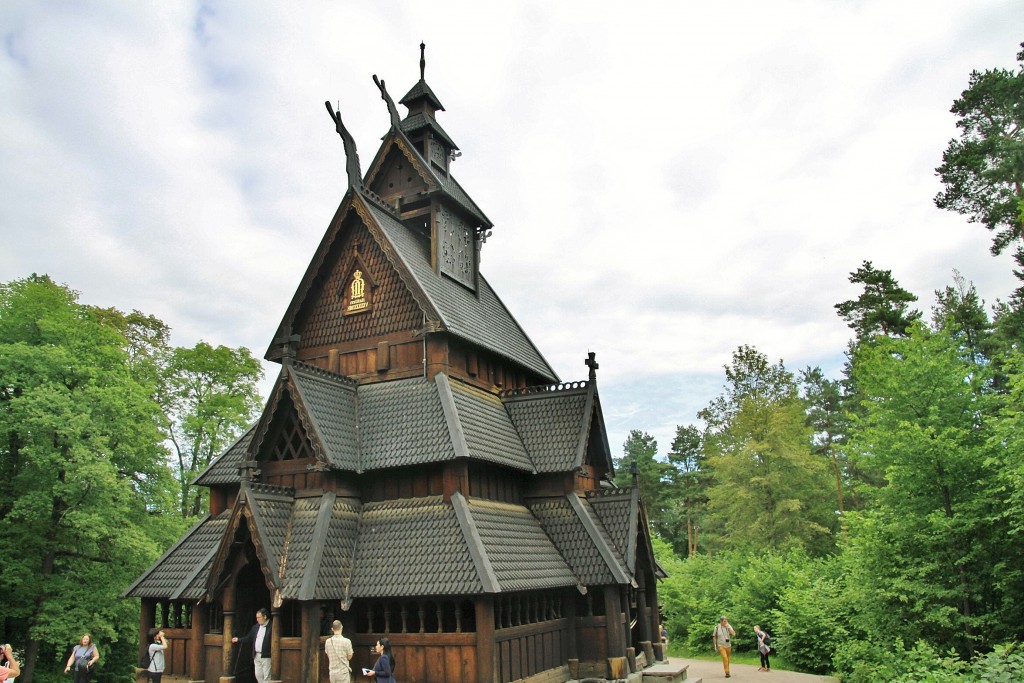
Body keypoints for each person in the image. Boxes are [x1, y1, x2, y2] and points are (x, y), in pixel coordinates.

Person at [232, 609, 272, 683]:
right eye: (256, 618)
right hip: (256, 655)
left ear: (265, 617)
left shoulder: (272, 626)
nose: (257, 620)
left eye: (259, 617)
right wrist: (239, 640)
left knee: (267, 676)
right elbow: (249, 638)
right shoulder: (256, 627)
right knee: (258, 675)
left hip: (267, 656)